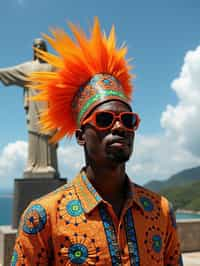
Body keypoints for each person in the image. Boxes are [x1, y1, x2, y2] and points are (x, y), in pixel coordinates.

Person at [11, 18, 183, 265]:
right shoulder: (43, 217)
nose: (119, 126)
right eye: (104, 119)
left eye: (128, 119)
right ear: (81, 136)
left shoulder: (160, 210)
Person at [0, 39, 59, 178]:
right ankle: (32, 165)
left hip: (48, 107)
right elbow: (10, 72)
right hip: (34, 107)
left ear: (45, 49)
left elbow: (67, 76)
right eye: (36, 46)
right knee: (34, 134)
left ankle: (48, 164)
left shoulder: (52, 67)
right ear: (33, 49)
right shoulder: (28, 67)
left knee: (48, 134)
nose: (38, 48)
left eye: (41, 46)